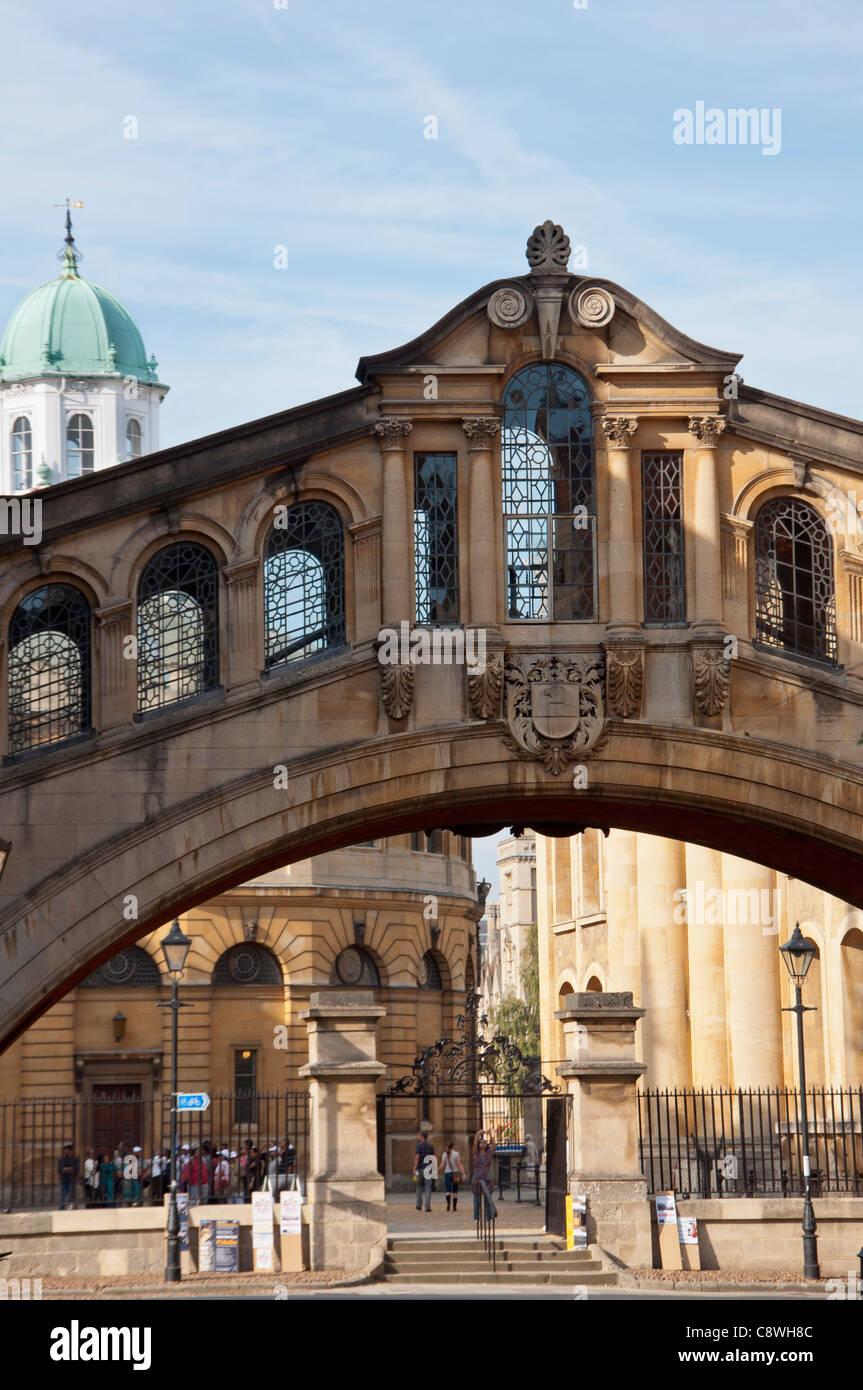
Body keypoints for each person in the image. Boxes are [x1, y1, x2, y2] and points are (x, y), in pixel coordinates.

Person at [471, 1129, 497, 1222]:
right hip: (477, 1178)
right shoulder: (476, 1154)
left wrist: (491, 1136)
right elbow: (474, 1145)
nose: (483, 1143)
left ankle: (489, 1217)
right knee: (476, 1200)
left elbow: (494, 1146)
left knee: (488, 1200)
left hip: (487, 1177)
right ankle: (476, 1217)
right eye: (481, 1142)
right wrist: (477, 1135)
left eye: (484, 1142)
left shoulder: (489, 1153)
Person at [413, 1131, 436, 1212]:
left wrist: (414, 1167)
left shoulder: (418, 1146)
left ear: (422, 1136)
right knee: (428, 1187)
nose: (418, 1136)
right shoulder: (430, 1146)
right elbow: (433, 1157)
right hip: (428, 1169)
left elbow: (417, 1157)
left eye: (419, 1135)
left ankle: (418, 1206)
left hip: (419, 1168)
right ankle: (427, 1207)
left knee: (418, 1187)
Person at [440, 1139, 466, 1212]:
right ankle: (454, 1207)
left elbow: (442, 1164)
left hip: (447, 1173)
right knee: (455, 1190)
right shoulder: (456, 1153)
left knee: (448, 1190)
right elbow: (459, 1164)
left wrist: (437, 1170)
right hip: (455, 1173)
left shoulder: (444, 1154)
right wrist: (463, 1173)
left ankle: (448, 1205)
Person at [58, 1144, 78, 1210]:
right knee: (62, 1196)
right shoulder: (62, 1159)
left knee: (71, 1196)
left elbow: (76, 1169)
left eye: (66, 1150)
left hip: (71, 1180)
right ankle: (62, 1208)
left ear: (70, 1151)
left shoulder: (75, 1159)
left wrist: (68, 1169)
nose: (65, 1151)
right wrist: (67, 1169)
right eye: (64, 1150)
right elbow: (59, 1169)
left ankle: (71, 1208)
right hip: (63, 1180)